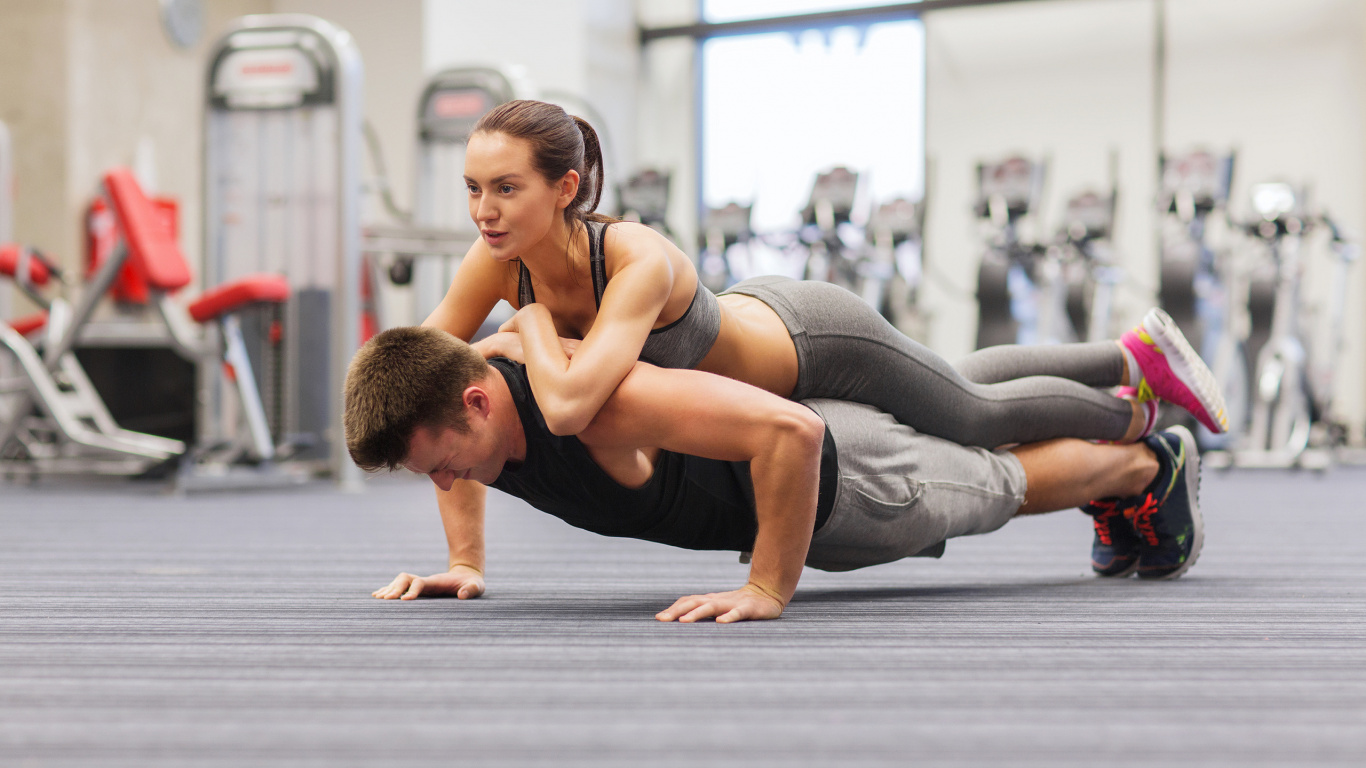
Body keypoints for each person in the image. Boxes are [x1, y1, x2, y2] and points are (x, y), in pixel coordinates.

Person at [425, 99, 1227, 451]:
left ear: (565, 189)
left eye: (506, 189)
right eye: (472, 189)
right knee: (955, 377)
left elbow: (574, 401)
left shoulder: (629, 253)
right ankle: (1130, 355)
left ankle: (1142, 417)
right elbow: (416, 365)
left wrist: (521, 336)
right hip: (769, 351)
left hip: (814, 339)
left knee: (972, 417)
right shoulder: (495, 264)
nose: (484, 211)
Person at [345, 327, 1203, 624]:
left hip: (844, 481)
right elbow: (455, 471)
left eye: (448, 461)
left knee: (997, 484)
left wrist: (767, 585)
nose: (452, 480)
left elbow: (789, 434)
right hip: (808, 455)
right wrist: (465, 564)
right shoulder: (483, 399)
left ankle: (1144, 462)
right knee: (961, 389)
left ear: (477, 403)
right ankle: (1121, 369)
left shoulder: (593, 408)